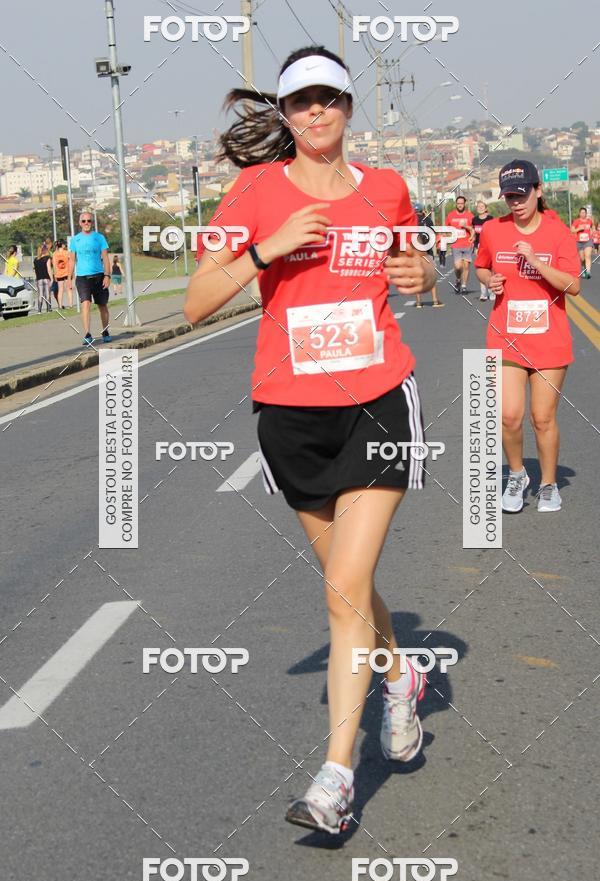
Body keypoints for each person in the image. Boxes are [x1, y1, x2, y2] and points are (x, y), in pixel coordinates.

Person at [184, 45, 437, 834]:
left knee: (342, 591)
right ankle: (401, 675)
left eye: (329, 97)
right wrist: (268, 246)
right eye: (301, 101)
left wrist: (424, 276)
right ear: (286, 114)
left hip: (377, 400)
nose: (316, 110)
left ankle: (335, 779)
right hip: (291, 413)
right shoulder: (256, 192)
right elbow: (195, 302)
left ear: (349, 107)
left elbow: (415, 265)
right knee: (345, 584)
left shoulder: (386, 189)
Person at [475, 159, 580, 513]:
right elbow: (481, 266)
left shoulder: (558, 232)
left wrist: (536, 262)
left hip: (549, 339)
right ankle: (517, 474)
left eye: (522, 194)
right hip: (505, 336)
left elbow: (573, 286)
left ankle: (548, 484)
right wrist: (489, 280)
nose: (516, 202)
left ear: (538, 190)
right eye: (509, 196)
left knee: (542, 418)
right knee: (508, 415)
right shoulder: (493, 230)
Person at [68, 211, 112, 346]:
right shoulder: (75, 240)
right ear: (80, 223)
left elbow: (105, 258)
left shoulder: (99, 238)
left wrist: (107, 275)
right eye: (84, 221)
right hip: (82, 278)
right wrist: (69, 278)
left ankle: (105, 331)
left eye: (89, 221)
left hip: (99, 276)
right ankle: (87, 334)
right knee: (85, 303)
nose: (86, 223)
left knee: (102, 305)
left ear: (92, 223)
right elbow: (72, 260)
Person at [413, 203, 444, 308]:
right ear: (423, 210)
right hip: (427, 251)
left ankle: (418, 302)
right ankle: (435, 300)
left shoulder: (410, 221)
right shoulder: (428, 220)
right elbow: (433, 234)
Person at [445, 195, 474, 293]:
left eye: (462, 203)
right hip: (456, 244)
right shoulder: (450, 215)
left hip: (467, 243)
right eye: (458, 203)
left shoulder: (470, 215)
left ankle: (464, 285)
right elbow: (446, 228)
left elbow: (473, 229)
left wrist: (467, 228)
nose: (460, 205)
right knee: (458, 267)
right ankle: (458, 280)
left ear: (464, 204)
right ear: (456, 204)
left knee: (466, 266)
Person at [472, 200, 495, 301]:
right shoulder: (475, 219)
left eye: (482, 206)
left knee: (491, 269)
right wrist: (472, 240)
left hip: (490, 247)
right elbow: (473, 232)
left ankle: (492, 292)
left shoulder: (491, 219)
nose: (480, 208)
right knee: (481, 268)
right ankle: (483, 293)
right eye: (478, 206)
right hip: (479, 247)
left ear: (486, 208)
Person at [570, 206, 594, 279]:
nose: (583, 214)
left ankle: (588, 272)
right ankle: (584, 269)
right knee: (582, 258)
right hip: (579, 242)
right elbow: (572, 230)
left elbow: (592, 227)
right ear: (579, 213)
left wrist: (592, 233)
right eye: (582, 212)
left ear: (586, 213)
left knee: (588, 256)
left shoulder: (589, 221)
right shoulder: (576, 221)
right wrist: (578, 229)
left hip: (588, 241)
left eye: (584, 212)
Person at [51, 240, 73, 308]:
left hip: (59, 274)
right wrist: (71, 273)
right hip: (67, 273)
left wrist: (55, 275)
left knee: (60, 290)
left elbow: (54, 265)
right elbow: (70, 262)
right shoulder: (67, 252)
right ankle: (70, 305)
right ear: (62, 245)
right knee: (69, 289)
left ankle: (60, 306)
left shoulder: (54, 254)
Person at [33, 242, 53, 313]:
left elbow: (35, 270)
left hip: (39, 279)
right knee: (47, 294)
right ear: (44, 250)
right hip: (46, 278)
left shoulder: (35, 260)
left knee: (40, 294)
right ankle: (49, 309)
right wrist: (52, 279)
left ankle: (39, 310)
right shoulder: (47, 258)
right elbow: (49, 269)